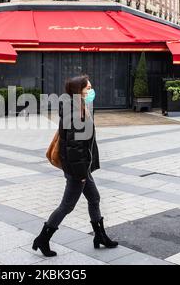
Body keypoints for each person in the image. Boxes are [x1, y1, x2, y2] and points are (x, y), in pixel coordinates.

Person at [32, 75, 118, 257]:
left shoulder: (79, 108)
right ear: (78, 91)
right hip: (77, 169)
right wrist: (80, 173)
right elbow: (74, 147)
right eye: (88, 88)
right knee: (67, 206)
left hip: (81, 167)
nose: (91, 91)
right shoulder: (74, 112)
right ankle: (42, 239)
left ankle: (100, 236)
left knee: (94, 198)